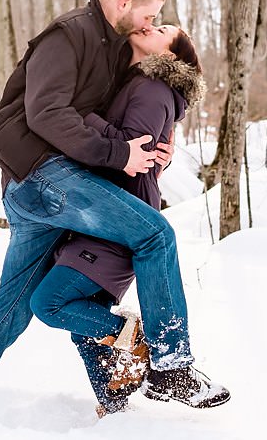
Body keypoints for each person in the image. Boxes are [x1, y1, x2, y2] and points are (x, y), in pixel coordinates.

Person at [0, 0, 229, 425]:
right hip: (42, 177)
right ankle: (170, 365)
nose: (150, 24)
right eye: (150, 15)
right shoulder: (69, 35)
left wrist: (156, 147)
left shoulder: (114, 47)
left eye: (157, 23)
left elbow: (136, 107)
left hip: (51, 183)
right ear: (125, 3)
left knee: (12, 306)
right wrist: (119, 154)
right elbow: (47, 114)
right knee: (155, 236)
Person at [29, 25, 214, 417]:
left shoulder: (152, 89)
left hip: (121, 213)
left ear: (171, 55)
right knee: (86, 320)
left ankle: (142, 342)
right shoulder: (136, 83)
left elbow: (135, 154)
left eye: (163, 29)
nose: (153, 25)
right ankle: (114, 406)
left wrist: (82, 117)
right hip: (102, 211)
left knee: (51, 303)